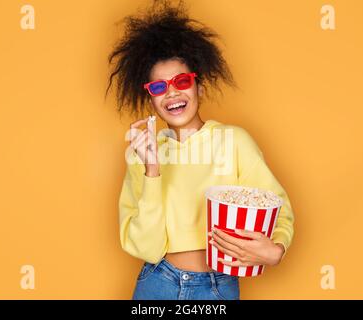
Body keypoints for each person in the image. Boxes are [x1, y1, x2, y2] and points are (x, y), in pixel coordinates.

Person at [106, 0, 295, 300]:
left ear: (199, 87)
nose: (172, 93)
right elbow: (147, 247)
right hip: (159, 284)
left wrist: (277, 250)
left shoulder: (234, 142)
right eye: (158, 88)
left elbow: (278, 207)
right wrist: (152, 170)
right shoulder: (140, 155)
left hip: (219, 286)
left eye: (182, 81)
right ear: (152, 101)